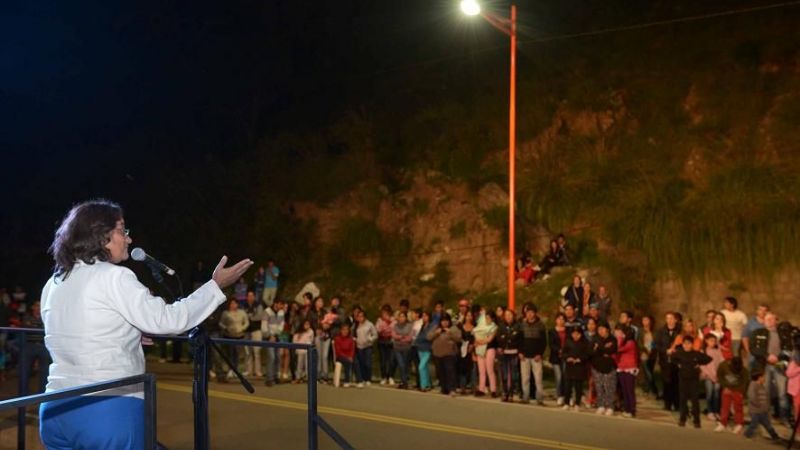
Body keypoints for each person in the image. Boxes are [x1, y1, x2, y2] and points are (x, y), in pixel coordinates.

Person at [39, 200, 252, 449]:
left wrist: (128, 332)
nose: (128, 239)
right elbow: (170, 320)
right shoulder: (115, 276)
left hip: (55, 408)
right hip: (106, 407)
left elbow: (75, 329)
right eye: (122, 230)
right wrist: (214, 286)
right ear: (102, 235)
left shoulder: (54, 282)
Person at [672, 335, 712, 428]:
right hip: (683, 379)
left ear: (692, 344)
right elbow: (672, 358)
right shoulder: (679, 353)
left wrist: (699, 364)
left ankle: (697, 421)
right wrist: (678, 364)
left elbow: (708, 359)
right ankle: (682, 419)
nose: (686, 346)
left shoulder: (696, 354)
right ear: (682, 344)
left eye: (689, 344)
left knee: (695, 401)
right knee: (683, 400)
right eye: (685, 344)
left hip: (693, 380)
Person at [428, 313, 462, 396]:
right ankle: (444, 388)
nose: (445, 323)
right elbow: (428, 337)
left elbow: (459, 338)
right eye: (443, 321)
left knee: (450, 371)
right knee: (441, 372)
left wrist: (450, 333)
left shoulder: (453, 328)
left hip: (449, 354)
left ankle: (452, 389)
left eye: (446, 321)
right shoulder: (436, 327)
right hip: (438, 353)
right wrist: (436, 333)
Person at [519, 303, 547, 405]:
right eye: (528, 312)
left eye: (532, 312)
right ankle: (525, 397)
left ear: (535, 313)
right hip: (525, 356)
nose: (530, 314)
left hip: (536, 356)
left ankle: (539, 398)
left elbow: (544, 342)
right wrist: (520, 352)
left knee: (538, 378)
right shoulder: (522, 325)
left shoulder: (540, 325)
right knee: (525, 378)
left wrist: (540, 354)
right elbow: (520, 340)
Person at [21, 301, 51, 393]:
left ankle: (42, 395)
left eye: (40, 305)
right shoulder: (27, 317)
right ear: (33, 307)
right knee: (24, 371)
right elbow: (29, 328)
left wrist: (36, 326)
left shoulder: (45, 317)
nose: (38, 307)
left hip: (43, 346)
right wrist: (40, 327)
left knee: (45, 372)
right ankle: (23, 395)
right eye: (36, 305)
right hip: (30, 345)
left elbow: (48, 328)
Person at [743, 371, 781, 440]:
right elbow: (751, 396)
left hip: (763, 410)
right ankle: (747, 435)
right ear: (759, 378)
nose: (764, 378)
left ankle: (775, 436)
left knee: (767, 424)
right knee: (754, 424)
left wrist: (767, 407)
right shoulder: (753, 385)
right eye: (763, 377)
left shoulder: (762, 386)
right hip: (756, 410)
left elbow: (766, 398)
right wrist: (758, 404)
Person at [715, 357, 748, 433]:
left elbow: (745, 382)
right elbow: (720, 376)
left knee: (738, 407)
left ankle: (739, 424)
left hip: (737, 389)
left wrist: (740, 392)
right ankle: (723, 423)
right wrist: (725, 386)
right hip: (727, 388)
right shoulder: (723, 365)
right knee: (725, 407)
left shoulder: (743, 370)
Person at [592, 321, 617, 416]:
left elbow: (612, 350)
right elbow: (591, 351)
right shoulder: (595, 339)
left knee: (609, 387)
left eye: (602, 329)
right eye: (599, 329)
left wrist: (599, 348)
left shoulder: (612, 339)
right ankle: (601, 405)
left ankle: (610, 406)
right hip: (597, 366)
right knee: (599, 387)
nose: (601, 331)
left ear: (607, 329)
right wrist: (602, 349)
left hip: (609, 367)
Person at [219, 298, 249, 379]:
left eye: (235, 303)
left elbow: (246, 322)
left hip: (239, 336)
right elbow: (221, 323)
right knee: (230, 353)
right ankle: (229, 370)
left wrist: (242, 328)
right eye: (232, 304)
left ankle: (236, 370)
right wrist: (226, 328)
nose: (233, 305)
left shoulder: (242, 312)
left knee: (238, 354)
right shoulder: (225, 313)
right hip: (229, 336)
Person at [496, 309, 522, 402]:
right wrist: (499, 347)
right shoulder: (501, 326)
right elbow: (498, 338)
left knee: (513, 374)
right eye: (506, 315)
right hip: (503, 353)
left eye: (510, 315)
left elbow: (520, 339)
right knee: (504, 374)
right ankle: (505, 392)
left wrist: (520, 351)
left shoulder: (518, 326)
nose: (508, 317)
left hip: (514, 352)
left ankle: (511, 393)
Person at [562, 325, 590, 410]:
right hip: (569, 366)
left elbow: (587, 354)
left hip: (580, 367)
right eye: (574, 334)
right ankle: (566, 402)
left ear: (581, 334)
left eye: (577, 334)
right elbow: (563, 353)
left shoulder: (585, 343)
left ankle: (577, 403)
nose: (575, 335)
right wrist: (568, 358)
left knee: (578, 387)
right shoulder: (568, 342)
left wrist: (580, 359)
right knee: (568, 386)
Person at [474, 310, 498, 398]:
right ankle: (481, 388)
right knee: (481, 370)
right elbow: (475, 335)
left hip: (489, 348)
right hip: (480, 349)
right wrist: (477, 342)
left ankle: (493, 389)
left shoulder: (494, 327)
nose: (487, 320)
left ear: (493, 319)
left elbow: (490, 339)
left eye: (489, 318)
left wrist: (480, 341)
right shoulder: (480, 326)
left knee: (490, 370)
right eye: (486, 318)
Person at [616, 325, 639, 418]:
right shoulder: (626, 342)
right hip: (622, 367)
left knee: (629, 390)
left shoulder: (631, 342)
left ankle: (632, 409)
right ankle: (626, 409)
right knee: (624, 390)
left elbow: (619, 349)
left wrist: (619, 338)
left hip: (629, 368)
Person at [700, 334, 724, 421]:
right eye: (711, 340)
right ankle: (710, 411)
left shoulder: (718, 351)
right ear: (706, 341)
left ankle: (716, 411)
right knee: (709, 393)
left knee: (717, 394)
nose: (713, 343)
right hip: (708, 376)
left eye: (714, 341)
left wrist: (718, 375)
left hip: (717, 377)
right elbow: (702, 366)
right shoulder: (703, 351)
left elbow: (722, 363)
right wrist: (710, 376)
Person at [262, 299, 286, 385]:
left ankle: (276, 376)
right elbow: (264, 326)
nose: (281, 306)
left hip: (277, 337)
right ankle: (269, 378)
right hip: (268, 338)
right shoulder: (267, 312)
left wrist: (275, 335)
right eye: (280, 304)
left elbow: (281, 325)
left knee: (278, 357)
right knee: (271, 357)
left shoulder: (281, 312)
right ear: (275, 304)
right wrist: (269, 336)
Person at [242, 291, 264, 377]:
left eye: (252, 295)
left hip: (256, 330)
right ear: (246, 297)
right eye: (249, 296)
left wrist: (250, 317)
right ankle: (248, 370)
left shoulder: (258, 305)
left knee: (257, 351)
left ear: (254, 297)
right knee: (248, 352)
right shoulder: (244, 306)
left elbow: (259, 317)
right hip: (247, 331)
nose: (250, 297)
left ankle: (258, 371)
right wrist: (249, 318)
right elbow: (243, 317)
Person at [354, 310, 377, 388]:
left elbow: (375, 335)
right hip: (359, 346)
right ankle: (363, 378)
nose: (360, 318)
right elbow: (353, 334)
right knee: (361, 363)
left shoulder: (369, 324)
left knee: (368, 363)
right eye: (358, 316)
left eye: (361, 316)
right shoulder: (356, 325)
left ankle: (368, 379)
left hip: (368, 346)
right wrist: (355, 340)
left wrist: (369, 339)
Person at [413, 310, 435, 392]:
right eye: (423, 316)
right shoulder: (422, 326)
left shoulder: (432, 325)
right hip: (420, 348)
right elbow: (419, 336)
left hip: (427, 348)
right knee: (424, 367)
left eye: (426, 316)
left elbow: (428, 337)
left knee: (421, 366)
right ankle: (428, 384)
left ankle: (423, 385)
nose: (424, 317)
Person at [549, 313, 568, 406]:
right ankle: (559, 395)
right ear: (556, 320)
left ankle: (565, 395)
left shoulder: (568, 331)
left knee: (565, 376)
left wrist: (564, 351)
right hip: (555, 357)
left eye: (563, 319)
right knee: (558, 376)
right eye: (559, 319)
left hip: (566, 356)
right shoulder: (552, 331)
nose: (561, 321)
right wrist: (559, 350)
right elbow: (551, 344)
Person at [391, 311, 414, 389]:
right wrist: (401, 337)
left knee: (405, 365)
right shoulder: (395, 326)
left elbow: (410, 337)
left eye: (403, 316)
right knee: (401, 365)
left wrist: (401, 338)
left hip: (406, 348)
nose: (401, 318)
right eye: (400, 316)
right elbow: (393, 335)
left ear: (406, 318)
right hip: (397, 348)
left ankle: (404, 381)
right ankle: (404, 381)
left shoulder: (409, 326)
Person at [376, 306, 397, 386]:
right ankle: (384, 377)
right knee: (383, 361)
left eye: (386, 313)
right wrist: (384, 327)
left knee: (391, 360)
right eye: (383, 313)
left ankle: (391, 376)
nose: (384, 315)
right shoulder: (379, 320)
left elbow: (393, 330)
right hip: (382, 341)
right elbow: (378, 329)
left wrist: (387, 324)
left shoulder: (393, 321)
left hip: (390, 342)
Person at [456, 309, 476, 393]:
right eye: (467, 315)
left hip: (472, 350)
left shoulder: (475, 327)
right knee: (462, 368)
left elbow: (476, 338)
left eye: (470, 316)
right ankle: (462, 387)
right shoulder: (460, 326)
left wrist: (472, 345)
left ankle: (473, 387)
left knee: (472, 369)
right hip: (462, 349)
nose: (469, 317)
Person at [639, 315, 659, 398]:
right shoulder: (640, 331)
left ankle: (647, 390)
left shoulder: (654, 331)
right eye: (643, 320)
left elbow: (655, 342)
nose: (645, 322)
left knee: (650, 372)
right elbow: (639, 343)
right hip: (644, 355)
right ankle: (654, 390)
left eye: (646, 320)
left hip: (652, 355)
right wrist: (645, 350)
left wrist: (652, 350)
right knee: (648, 373)